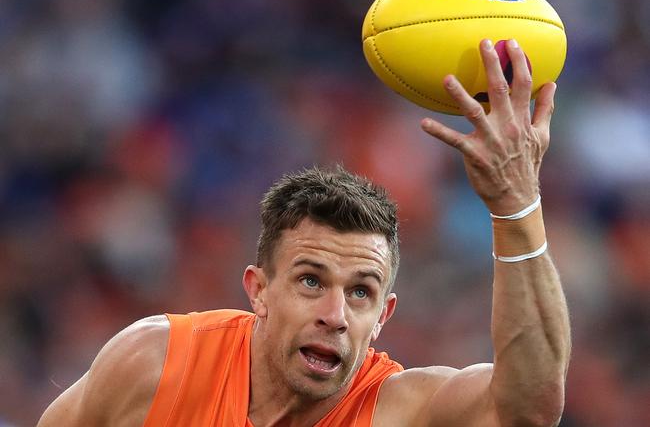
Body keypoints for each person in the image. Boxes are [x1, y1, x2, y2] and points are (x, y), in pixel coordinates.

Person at [38, 39, 571, 427]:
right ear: (258, 289)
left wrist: (516, 202)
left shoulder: (401, 411)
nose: (335, 317)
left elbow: (528, 408)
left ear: (383, 315)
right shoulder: (153, 366)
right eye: (311, 281)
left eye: (361, 291)